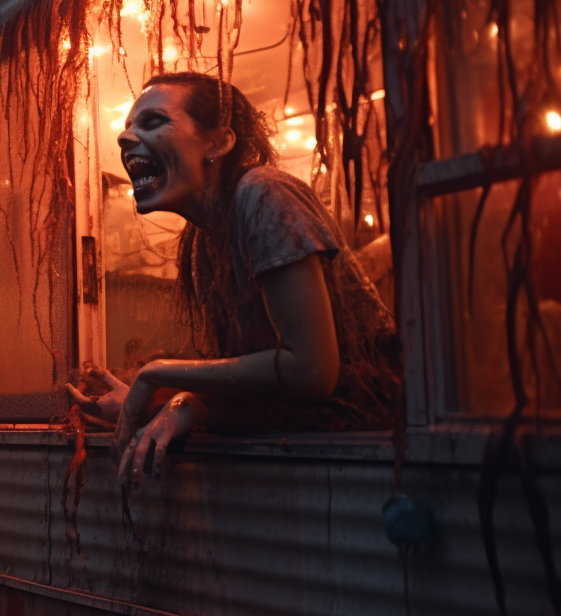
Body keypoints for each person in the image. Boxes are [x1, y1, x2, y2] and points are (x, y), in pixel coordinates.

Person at [66, 72, 397, 486]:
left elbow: (312, 373)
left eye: (153, 122)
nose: (124, 138)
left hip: (385, 454)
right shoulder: (201, 243)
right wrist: (163, 403)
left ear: (220, 143)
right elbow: (278, 392)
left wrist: (158, 374)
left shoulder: (263, 192)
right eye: (128, 127)